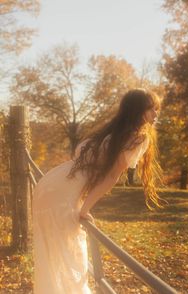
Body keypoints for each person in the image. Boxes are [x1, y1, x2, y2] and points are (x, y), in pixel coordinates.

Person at [32, 88, 163, 294]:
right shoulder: (134, 137)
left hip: (51, 187)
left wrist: (82, 205)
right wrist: (84, 210)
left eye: (157, 109)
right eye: (151, 109)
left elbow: (99, 173)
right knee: (67, 253)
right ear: (136, 110)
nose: (156, 114)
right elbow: (111, 177)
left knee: (57, 252)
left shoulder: (114, 134)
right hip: (61, 194)